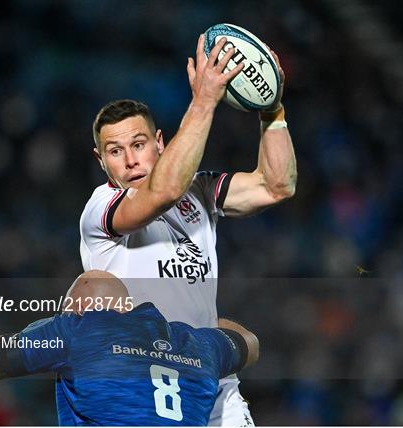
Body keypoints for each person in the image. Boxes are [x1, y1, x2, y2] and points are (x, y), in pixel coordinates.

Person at [79, 34, 296, 425]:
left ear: (160, 143)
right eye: (115, 151)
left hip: (213, 384)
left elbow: (276, 185)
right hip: (148, 385)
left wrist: (272, 112)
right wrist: (204, 100)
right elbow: (162, 190)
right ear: (101, 161)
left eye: (139, 144)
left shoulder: (198, 190)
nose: (130, 160)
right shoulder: (100, 209)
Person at [0, 271, 259, 426]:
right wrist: (201, 325)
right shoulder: (199, 345)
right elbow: (249, 341)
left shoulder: (79, 328)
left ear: (80, 308)